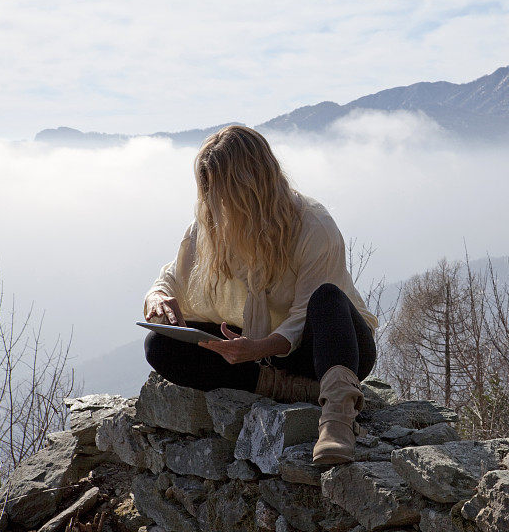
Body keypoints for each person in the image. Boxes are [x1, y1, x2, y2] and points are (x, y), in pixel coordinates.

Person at [141, 125, 378, 465]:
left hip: (331, 349)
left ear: (250, 186)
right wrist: (157, 297)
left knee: (327, 299)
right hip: (262, 354)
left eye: (222, 191)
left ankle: (337, 419)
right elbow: (174, 276)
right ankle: (289, 388)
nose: (212, 200)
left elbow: (303, 317)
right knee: (160, 345)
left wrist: (258, 348)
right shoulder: (209, 225)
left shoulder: (313, 224)